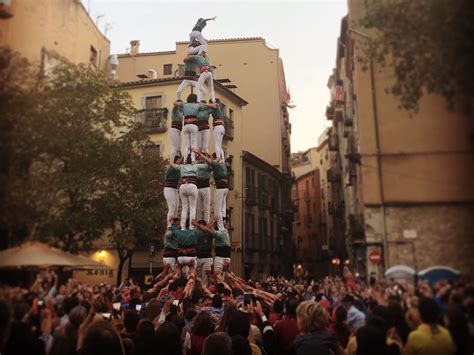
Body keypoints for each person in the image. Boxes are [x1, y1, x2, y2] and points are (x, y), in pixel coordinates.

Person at [169, 155, 208, 230]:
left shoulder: (182, 166)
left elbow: (172, 164)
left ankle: (183, 227)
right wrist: (202, 157)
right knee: (192, 208)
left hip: (183, 186)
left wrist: (179, 160)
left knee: (184, 208)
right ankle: (191, 226)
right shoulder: (195, 166)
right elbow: (207, 166)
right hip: (192, 186)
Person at [196, 151, 229, 230]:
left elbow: (209, 162)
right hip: (225, 187)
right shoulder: (223, 165)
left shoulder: (215, 164)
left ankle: (221, 227)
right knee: (222, 206)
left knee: (217, 208)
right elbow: (211, 162)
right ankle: (223, 221)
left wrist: (200, 154)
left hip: (220, 187)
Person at [194, 220, 214, 285]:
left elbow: (211, 232)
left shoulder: (209, 233)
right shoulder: (196, 234)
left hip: (207, 258)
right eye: (200, 226)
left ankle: (205, 293)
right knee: (198, 278)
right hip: (198, 258)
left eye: (202, 226)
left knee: (205, 277)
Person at [164, 157, 181, 227]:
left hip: (174, 189)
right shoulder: (171, 168)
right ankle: (169, 225)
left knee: (176, 207)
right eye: (178, 160)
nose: (179, 161)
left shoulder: (178, 169)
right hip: (169, 189)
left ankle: (173, 224)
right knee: (172, 207)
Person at [196, 154, 213, 223]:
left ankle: (206, 223)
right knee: (198, 208)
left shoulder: (207, 165)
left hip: (205, 187)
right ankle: (199, 222)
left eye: (201, 157)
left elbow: (211, 165)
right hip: (198, 187)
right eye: (199, 157)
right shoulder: (196, 165)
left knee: (206, 208)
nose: (200, 158)